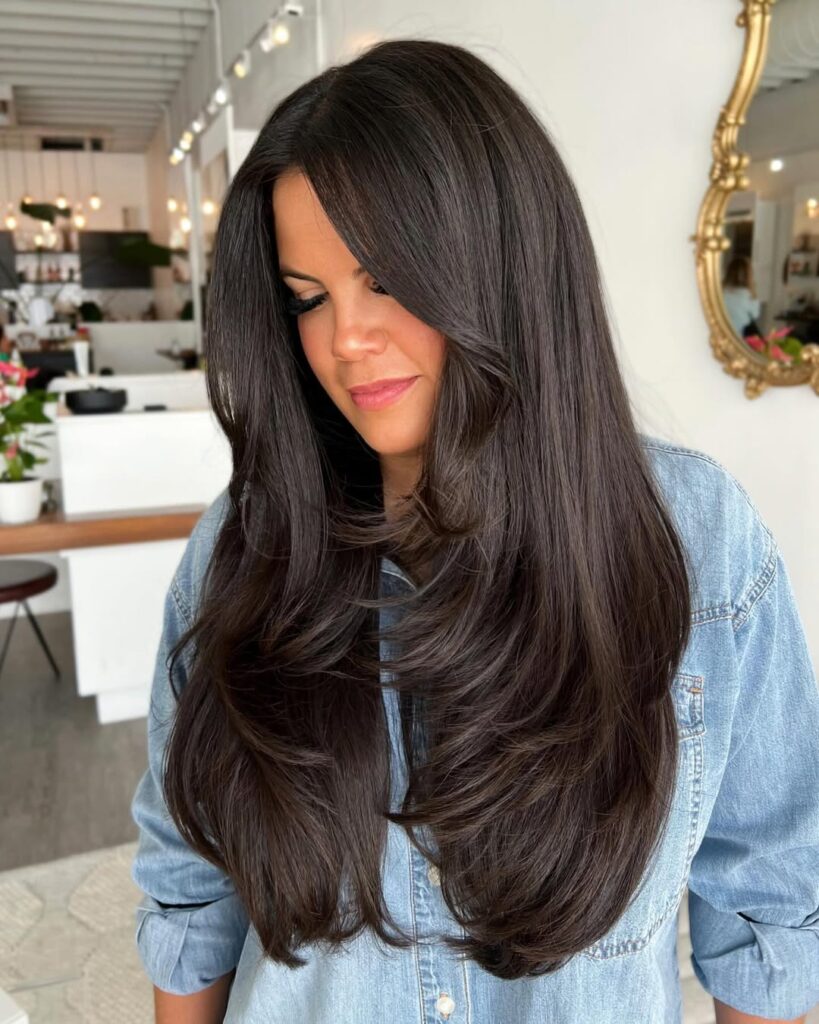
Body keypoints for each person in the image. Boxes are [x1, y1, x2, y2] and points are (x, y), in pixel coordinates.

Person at [129, 38, 819, 1024]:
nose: (344, 339)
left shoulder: (701, 548)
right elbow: (190, 888)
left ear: (503, 266)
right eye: (307, 299)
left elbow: (769, 910)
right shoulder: (248, 550)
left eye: (385, 279)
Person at [721, 255, 762, 337]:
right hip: (738, 337)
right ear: (748, 275)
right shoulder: (747, 295)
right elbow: (755, 315)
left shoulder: (720, 292)